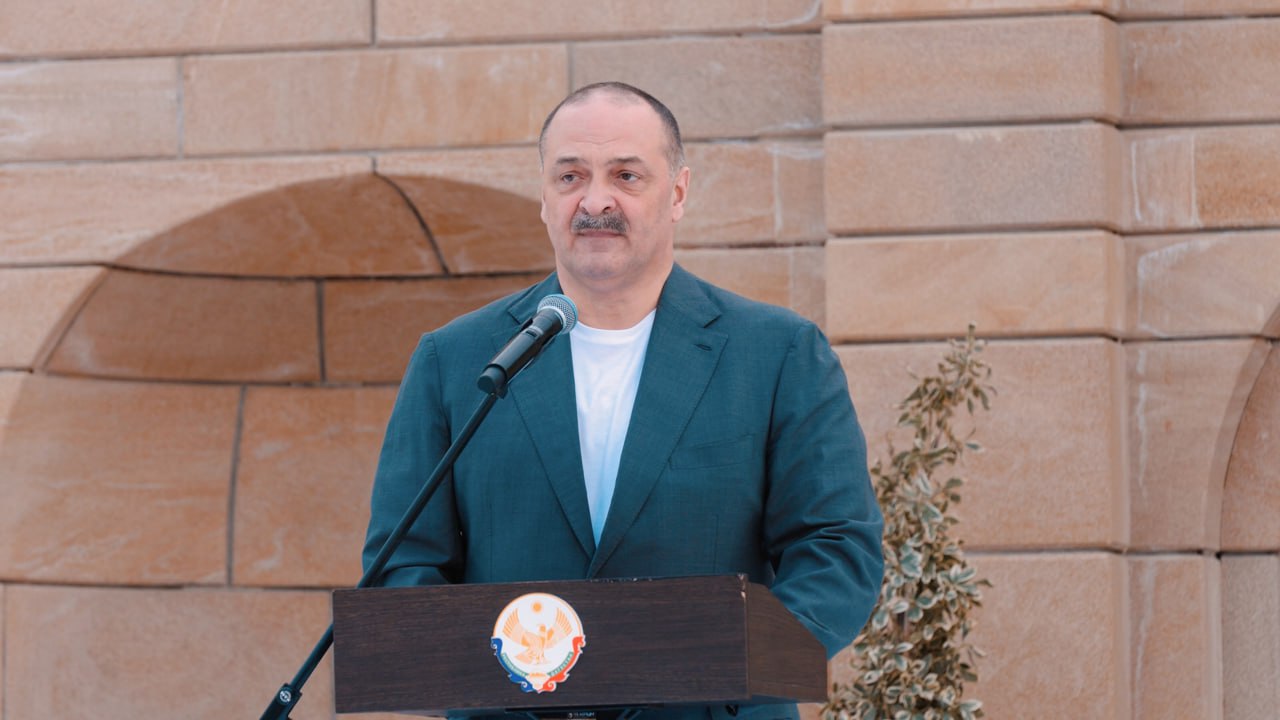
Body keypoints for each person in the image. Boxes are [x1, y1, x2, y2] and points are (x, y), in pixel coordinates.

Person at [363, 82, 884, 720]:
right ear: (544, 197)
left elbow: (836, 551)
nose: (595, 201)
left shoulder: (778, 353)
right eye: (571, 176)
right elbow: (403, 563)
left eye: (626, 176)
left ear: (678, 193)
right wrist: (499, 676)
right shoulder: (456, 359)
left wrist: (720, 668)